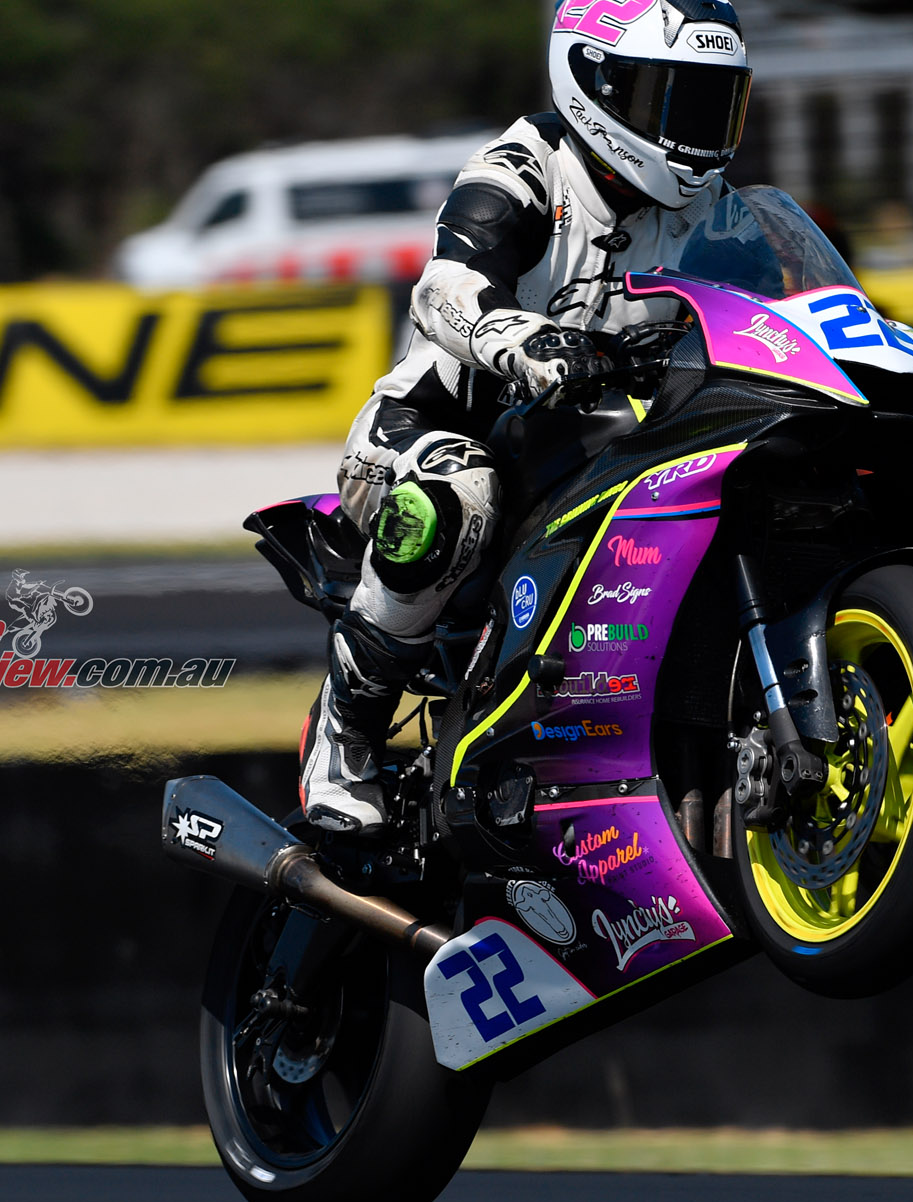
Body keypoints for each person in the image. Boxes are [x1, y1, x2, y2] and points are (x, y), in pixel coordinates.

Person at [299, 0, 755, 832]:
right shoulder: (524, 166)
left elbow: (777, 302)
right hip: (432, 430)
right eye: (672, 100)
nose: (694, 132)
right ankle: (344, 738)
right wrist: (524, 341)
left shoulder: (715, 210)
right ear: (595, 83)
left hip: (595, 446)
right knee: (457, 493)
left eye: (711, 104)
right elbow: (444, 288)